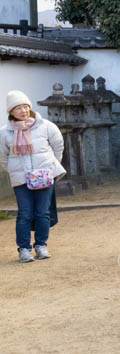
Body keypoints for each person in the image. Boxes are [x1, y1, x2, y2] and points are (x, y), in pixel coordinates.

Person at [2, 91, 65, 263]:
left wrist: (50, 166)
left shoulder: (45, 126)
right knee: (25, 213)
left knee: (43, 212)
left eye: (25, 106)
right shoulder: (5, 132)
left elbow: (58, 145)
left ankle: (41, 245)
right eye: (18, 108)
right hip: (21, 179)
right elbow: (3, 157)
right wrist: (15, 171)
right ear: (11, 111)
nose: (23, 111)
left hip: (44, 176)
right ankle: (24, 249)